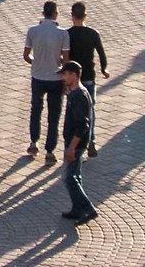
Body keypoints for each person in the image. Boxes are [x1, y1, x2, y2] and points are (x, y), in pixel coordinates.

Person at [23, 0, 69, 162]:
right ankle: (50, 151)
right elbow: (65, 60)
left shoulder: (33, 31)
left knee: (36, 109)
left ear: (43, 13)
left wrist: (35, 62)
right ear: (56, 13)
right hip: (55, 78)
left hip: (37, 77)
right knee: (54, 115)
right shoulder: (62, 33)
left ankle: (33, 142)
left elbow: (26, 55)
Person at [58, 61, 97, 224]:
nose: (63, 77)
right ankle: (76, 209)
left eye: (65, 74)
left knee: (68, 178)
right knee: (76, 176)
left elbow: (83, 124)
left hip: (76, 143)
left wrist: (72, 147)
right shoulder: (77, 92)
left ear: (73, 75)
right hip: (76, 141)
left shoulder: (79, 95)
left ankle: (88, 209)